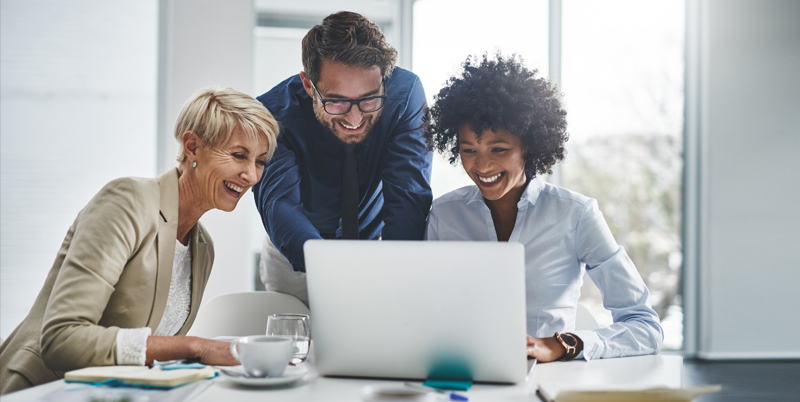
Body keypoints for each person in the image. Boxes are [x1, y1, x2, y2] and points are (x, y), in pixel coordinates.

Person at [0, 87, 279, 394]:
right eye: (239, 155)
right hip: (42, 390)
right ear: (192, 146)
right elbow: (62, 339)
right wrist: (193, 346)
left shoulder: (203, 248)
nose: (251, 176)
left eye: (260, 162)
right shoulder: (127, 201)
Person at [424, 53, 663, 362]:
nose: (482, 165)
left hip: (546, 381)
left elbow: (645, 326)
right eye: (469, 150)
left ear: (530, 146)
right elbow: (425, 311)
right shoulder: (444, 215)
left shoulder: (575, 215)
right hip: (463, 376)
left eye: (499, 149)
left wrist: (560, 345)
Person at [253, 11, 432, 304]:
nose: (354, 117)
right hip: (295, 257)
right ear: (309, 85)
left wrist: (397, 273)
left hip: (375, 248)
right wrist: (334, 271)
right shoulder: (271, 114)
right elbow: (279, 203)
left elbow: (408, 197)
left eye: (368, 98)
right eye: (336, 101)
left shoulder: (405, 95)